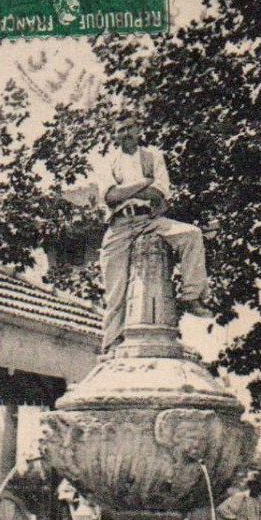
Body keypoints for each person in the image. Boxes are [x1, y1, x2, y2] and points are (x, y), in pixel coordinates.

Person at [95, 113, 210, 353]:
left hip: (149, 219)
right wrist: (142, 184)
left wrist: (132, 190)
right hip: (120, 224)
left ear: (138, 130)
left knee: (192, 234)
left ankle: (191, 296)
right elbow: (110, 196)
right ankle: (111, 346)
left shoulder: (153, 156)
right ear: (115, 135)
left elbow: (160, 192)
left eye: (129, 128)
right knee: (115, 291)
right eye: (119, 130)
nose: (125, 134)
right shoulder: (108, 160)